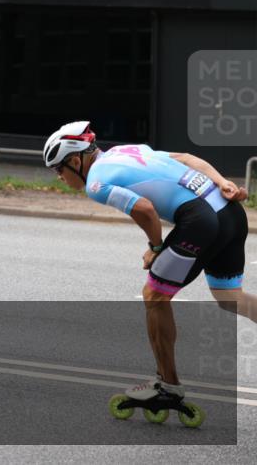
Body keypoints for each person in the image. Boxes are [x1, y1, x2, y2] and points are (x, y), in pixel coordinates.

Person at [43, 121, 254, 406]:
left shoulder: (95, 182)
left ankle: (168, 386)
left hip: (202, 221)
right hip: (230, 212)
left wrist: (155, 248)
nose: (59, 177)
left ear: (76, 160)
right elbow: (187, 159)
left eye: (58, 169)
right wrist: (222, 182)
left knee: (154, 296)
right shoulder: (125, 150)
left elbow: (144, 208)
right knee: (230, 298)